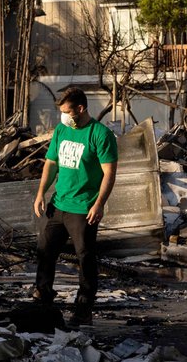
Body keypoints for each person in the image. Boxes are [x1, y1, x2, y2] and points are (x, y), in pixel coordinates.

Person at [33, 87, 118, 327]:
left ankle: (83, 308)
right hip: (58, 204)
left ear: (80, 109)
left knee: (85, 258)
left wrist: (99, 204)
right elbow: (51, 164)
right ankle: (43, 296)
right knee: (44, 250)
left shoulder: (100, 134)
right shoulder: (62, 130)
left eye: (67, 112)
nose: (63, 116)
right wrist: (41, 193)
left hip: (83, 208)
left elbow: (109, 174)